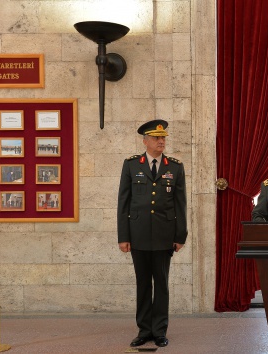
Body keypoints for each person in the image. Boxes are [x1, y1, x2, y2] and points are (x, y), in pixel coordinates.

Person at [117, 119, 188, 348]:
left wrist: (180, 236)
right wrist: (123, 236)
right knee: (143, 284)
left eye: (163, 138)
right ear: (145, 141)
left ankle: (159, 330)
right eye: (156, 138)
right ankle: (144, 330)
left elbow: (180, 204)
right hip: (137, 234)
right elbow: (123, 203)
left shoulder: (175, 167)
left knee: (162, 284)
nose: (161, 141)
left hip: (164, 235)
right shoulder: (131, 165)